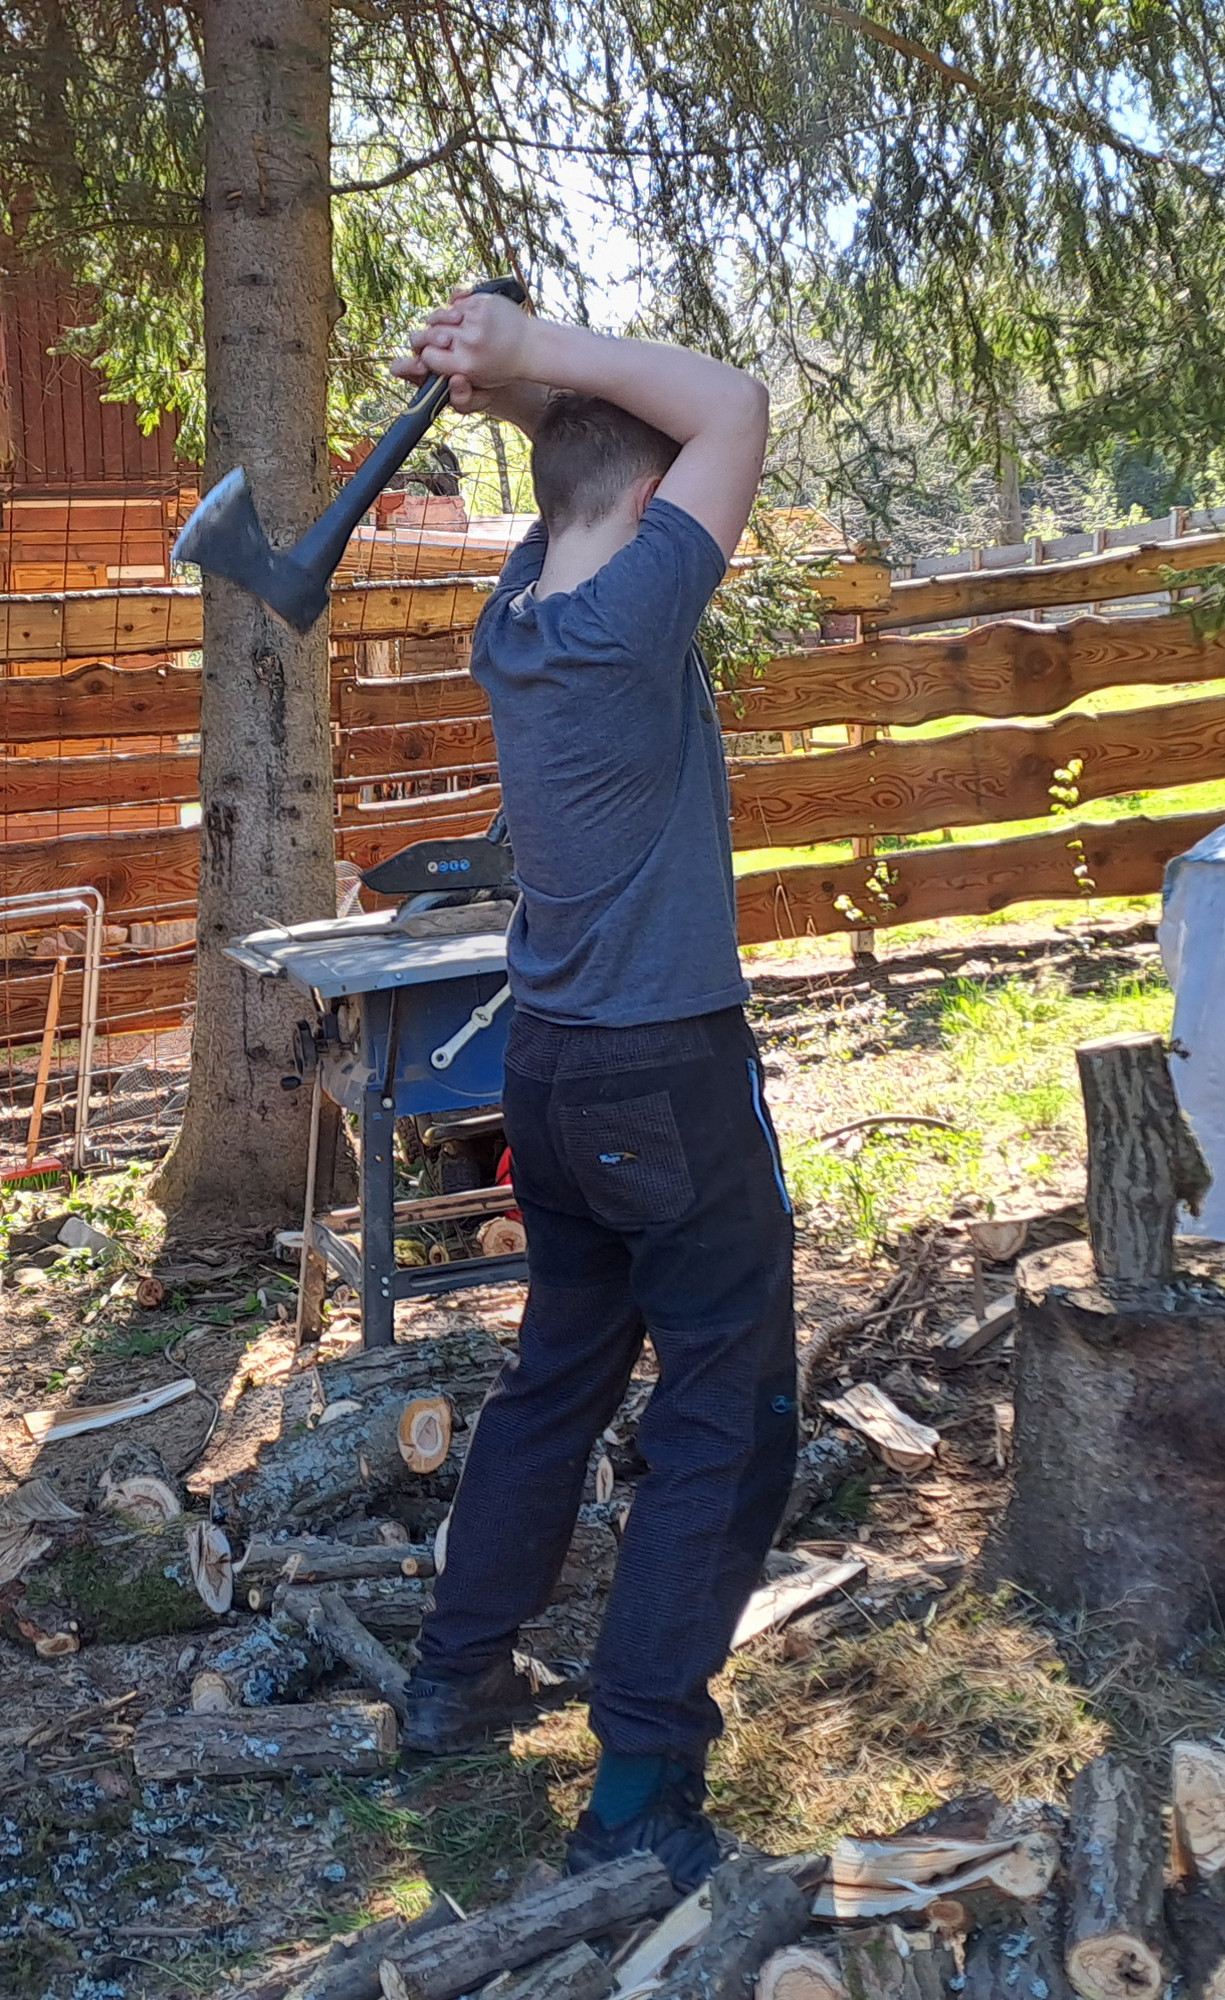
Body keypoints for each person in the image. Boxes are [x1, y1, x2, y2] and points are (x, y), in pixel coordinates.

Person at [382, 290, 787, 1886]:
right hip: (663, 1074)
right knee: (723, 1414)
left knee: (559, 1374)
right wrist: (532, 360)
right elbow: (733, 404)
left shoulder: (520, 613)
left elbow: (606, 462)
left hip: (545, 1072)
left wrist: (496, 380)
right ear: (659, 491)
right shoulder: (635, 610)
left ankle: (457, 1671)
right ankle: (638, 1785)